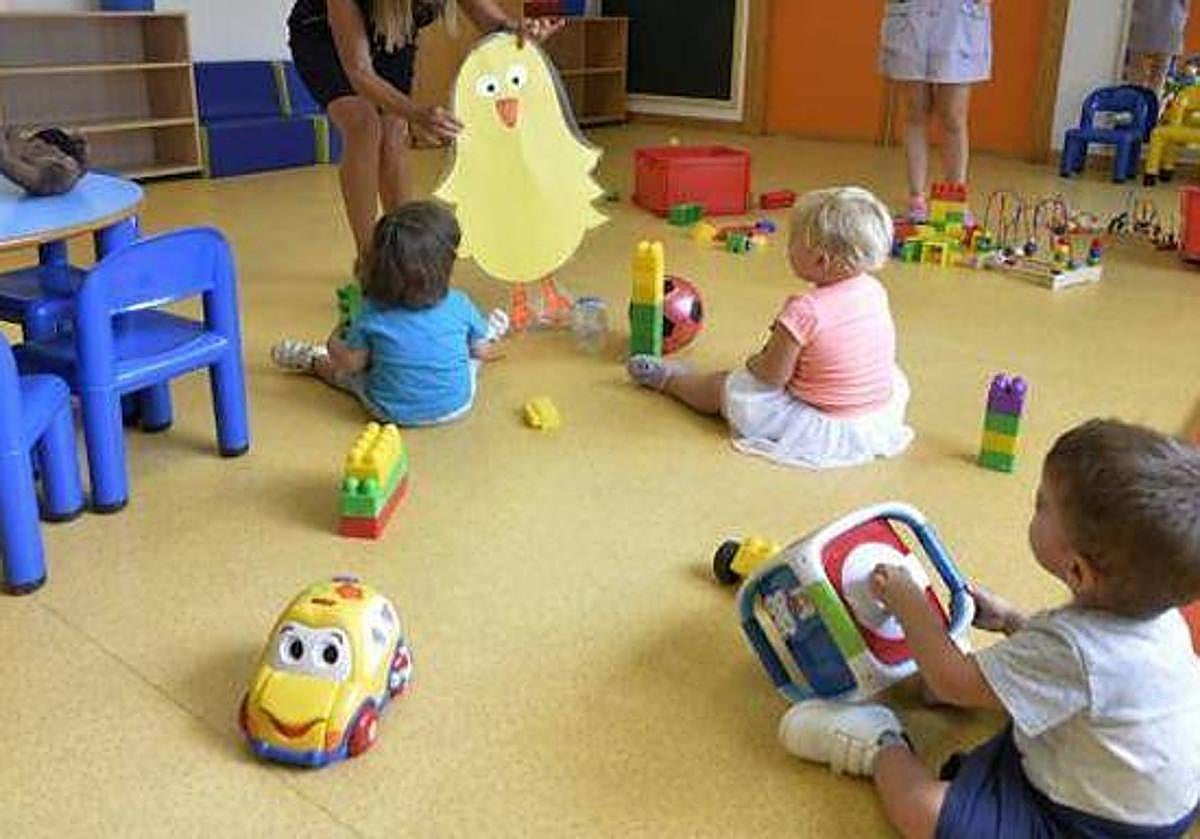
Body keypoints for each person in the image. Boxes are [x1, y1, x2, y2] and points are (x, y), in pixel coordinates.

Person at [779, 419, 1200, 838]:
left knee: (922, 810)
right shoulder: (1159, 616)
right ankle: (989, 680)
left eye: (1042, 505)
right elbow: (1084, 668)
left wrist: (908, 602)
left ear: (1077, 570)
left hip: (1088, 822)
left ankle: (877, 743)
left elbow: (952, 681)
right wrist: (1011, 620)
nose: (1033, 505)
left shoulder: (1074, 649)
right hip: (1159, 798)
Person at [626, 187, 914, 470]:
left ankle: (670, 381)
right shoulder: (873, 289)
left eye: (793, 243)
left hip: (822, 424)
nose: (787, 250)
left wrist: (754, 363)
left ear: (821, 260)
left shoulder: (805, 310)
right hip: (873, 415)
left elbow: (772, 376)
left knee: (726, 387)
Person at [287, 0, 562, 257]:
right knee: (363, 123)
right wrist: (418, 113)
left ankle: (402, 251)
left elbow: (492, 22)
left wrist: (521, 32)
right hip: (322, 33)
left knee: (394, 132)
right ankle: (368, 257)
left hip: (394, 29)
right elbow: (360, 72)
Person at [271, 200, 506, 425]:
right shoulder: (459, 303)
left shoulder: (370, 313)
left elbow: (351, 364)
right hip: (457, 406)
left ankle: (312, 360)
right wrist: (488, 348)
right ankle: (486, 331)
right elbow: (483, 352)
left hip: (388, 410)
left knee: (344, 374)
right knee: (472, 354)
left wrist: (338, 333)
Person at [880, 0, 992, 221]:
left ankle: (954, 198)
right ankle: (916, 198)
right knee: (915, 112)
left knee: (953, 116)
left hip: (958, 18)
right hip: (911, 14)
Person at [1125, 0, 1192, 96]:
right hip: (1169, 23)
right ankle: (1151, 106)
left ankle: (1136, 106)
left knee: (1136, 74)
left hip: (1142, 22)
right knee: (1158, 78)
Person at [0, 127, 87, 196]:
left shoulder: (46, 175)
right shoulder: (73, 166)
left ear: (53, 150)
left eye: (36, 147)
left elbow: (4, 160)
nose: (24, 153)